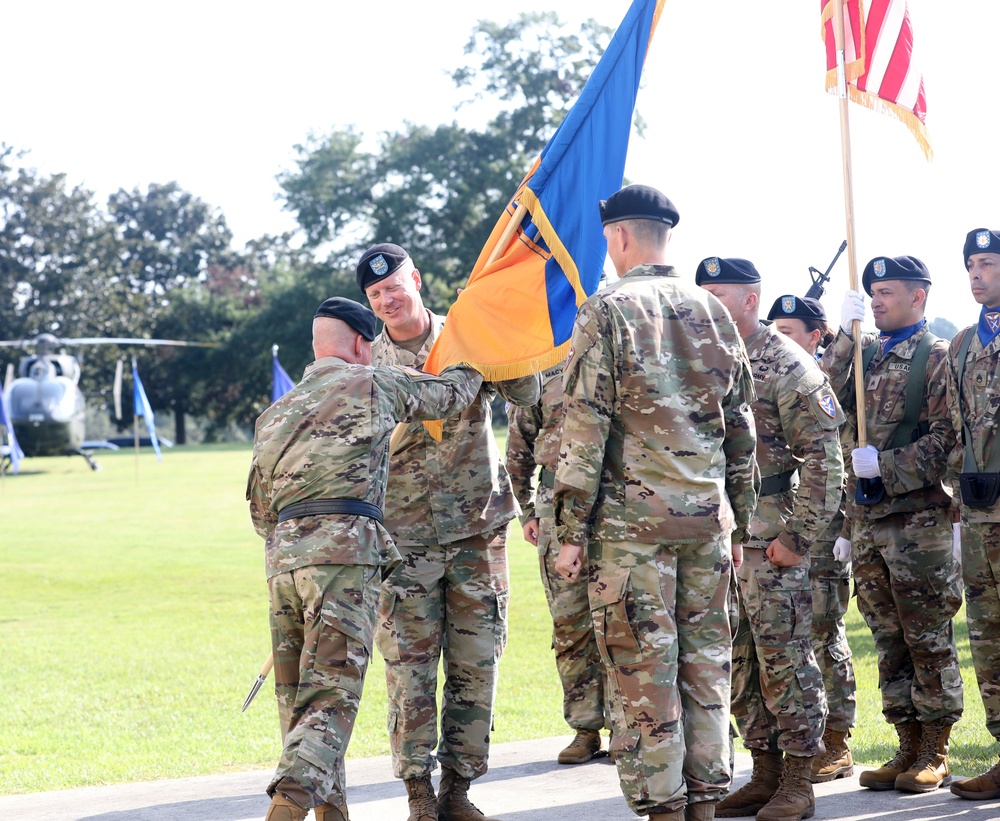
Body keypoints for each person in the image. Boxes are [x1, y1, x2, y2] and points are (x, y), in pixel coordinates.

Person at [554, 184, 760, 821]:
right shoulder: (713, 311)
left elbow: (583, 429)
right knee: (706, 670)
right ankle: (702, 806)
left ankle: (665, 811)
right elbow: (741, 425)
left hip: (630, 530)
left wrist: (567, 529)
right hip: (705, 522)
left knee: (644, 674)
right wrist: (742, 522)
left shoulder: (606, 311)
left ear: (617, 237)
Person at [246, 297, 483, 821]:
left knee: (298, 700)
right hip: (344, 558)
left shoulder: (274, 413)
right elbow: (452, 395)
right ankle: (288, 803)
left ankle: (333, 812)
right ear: (362, 343)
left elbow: (260, 511)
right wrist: (473, 352)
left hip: (283, 562)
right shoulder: (371, 382)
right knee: (332, 698)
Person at [356, 243, 540, 821]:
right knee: (408, 668)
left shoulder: (466, 336)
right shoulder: (367, 363)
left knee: (475, 662)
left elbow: (528, 395)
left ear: (417, 278)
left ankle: (459, 789)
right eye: (375, 295)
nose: (387, 300)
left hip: (476, 530)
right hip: (402, 539)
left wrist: (505, 339)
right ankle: (418, 793)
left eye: (394, 287)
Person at [699, 259, 845, 821]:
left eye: (719, 294)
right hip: (719, 540)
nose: (708, 304)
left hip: (771, 539)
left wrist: (798, 536)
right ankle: (762, 771)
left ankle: (798, 781)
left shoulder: (789, 364)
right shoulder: (703, 357)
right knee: (738, 661)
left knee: (786, 660)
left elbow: (825, 461)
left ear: (750, 299)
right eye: (702, 293)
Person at [824, 256, 962, 793]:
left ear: (918, 296)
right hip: (866, 521)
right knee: (888, 637)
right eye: (871, 294)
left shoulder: (936, 357)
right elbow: (821, 400)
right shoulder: (861, 354)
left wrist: (884, 466)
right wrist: (841, 334)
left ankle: (935, 748)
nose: (876, 301)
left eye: (886, 292)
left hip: (917, 521)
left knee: (926, 636)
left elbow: (949, 438)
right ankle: (905, 743)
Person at [766, 295, 856, 783]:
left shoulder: (820, 372)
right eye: (774, 328)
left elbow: (836, 395)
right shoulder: (768, 370)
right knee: (791, 638)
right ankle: (801, 742)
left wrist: (841, 528)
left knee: (824, 632)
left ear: (815, 335)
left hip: (823, 526)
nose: (780, 337)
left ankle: (837, 740)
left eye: (790, 329)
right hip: (785, 520)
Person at [506, 358, 608, 765]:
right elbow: (518, 448)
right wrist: (527, 510)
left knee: (621, 622)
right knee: (570, 625)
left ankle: (626, 728)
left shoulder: (611, 368)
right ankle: (585, 729)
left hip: (613, 506)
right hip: (553, 510)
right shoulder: (539, 376)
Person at [945, 228, 1000, 801]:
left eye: (987, 262)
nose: (977, 273)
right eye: (971, 264)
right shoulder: (961, 344)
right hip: (980, 513)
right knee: (988, 640)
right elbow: (953, 428)